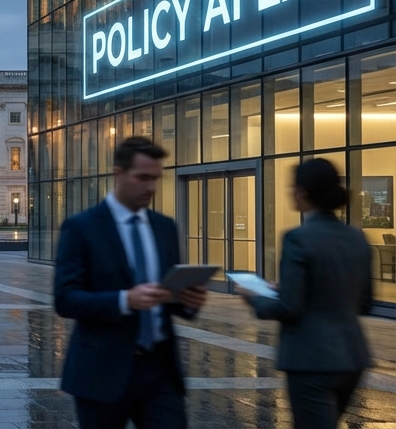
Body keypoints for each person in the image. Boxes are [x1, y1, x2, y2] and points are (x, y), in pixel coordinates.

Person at [54, 136, 209, 429]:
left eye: (156, 179)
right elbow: (65, 298)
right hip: (102, 372)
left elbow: (167, 296)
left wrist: (189, 301)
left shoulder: (165, 227)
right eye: (142, 178)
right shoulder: (82, 228)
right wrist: (125, 300)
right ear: (118, 173)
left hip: (160, 371)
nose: (150, 187)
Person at [238, 158, 372, 429]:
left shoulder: (298, 237)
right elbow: (364, 303)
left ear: (302, 192)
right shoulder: (357, 238)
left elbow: (289, 307)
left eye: (292, 187)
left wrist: (255, 297)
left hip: (310, 359)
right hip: (351, 357)